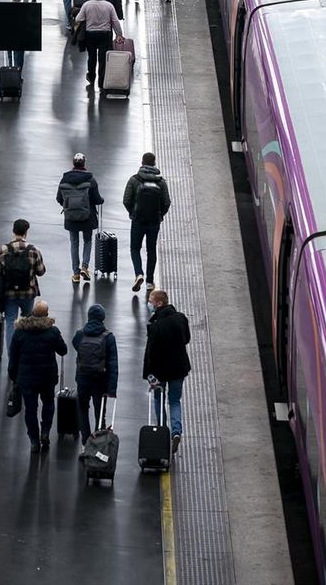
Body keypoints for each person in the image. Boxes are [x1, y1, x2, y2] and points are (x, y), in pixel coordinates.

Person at [8, 299, 68, 451]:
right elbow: (63, 350)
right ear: (46, 315)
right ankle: (45, 431)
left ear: (32, 313)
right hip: (47, 378)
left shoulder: (20, 332)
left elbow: (13, 356)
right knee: (48, 403)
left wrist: (14, 376)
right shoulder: (52, 332)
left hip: (27, 379)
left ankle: (34, 440)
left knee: (30, 409)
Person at [143, 289, 191, 454]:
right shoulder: (181, 318)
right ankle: (176, 432)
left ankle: (163, 430)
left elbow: (149, 353)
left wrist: (149, 375)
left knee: (158, 399)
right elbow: (187, 339)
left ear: (159, 304)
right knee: (175, 401)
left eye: (151, 301)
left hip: (160, 371)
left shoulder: (155, 326)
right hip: (179, 368)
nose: (149, 304)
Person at [123, 153, 171, 292]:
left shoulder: (134, 180)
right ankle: (150, 281)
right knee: (151, 250)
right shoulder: (160, 182)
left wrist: (133, 212)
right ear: (154, 163)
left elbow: (126, 200)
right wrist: (159, 215)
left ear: (142, 162)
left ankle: (139, 273)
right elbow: (166, 202)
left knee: (134, 248)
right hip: (154, 222)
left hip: (138, 220)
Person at [71, 303, 119, 444]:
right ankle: (98, 441)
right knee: (100, 412)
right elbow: (113, 364)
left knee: (83, 408)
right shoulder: (108, 337)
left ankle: (85, 440)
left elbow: (75, 345)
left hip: (83, 378)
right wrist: (112, 389)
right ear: (102, 318)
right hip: (100, 380)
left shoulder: (80, 334)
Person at [56, 153, 104, 283]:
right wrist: (101, 200)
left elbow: (59, 198)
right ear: (84, 164)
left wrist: (68, 206)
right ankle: (85, 267)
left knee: (74, 243)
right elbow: (97, 199)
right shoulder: (91, 180)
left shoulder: (65, 179)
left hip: (71, 217)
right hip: (87, 217)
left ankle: (76, 274)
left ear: (73, 163)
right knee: (87, 241)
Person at [0, 218, 46, 329]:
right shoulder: (34, 250)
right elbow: (41, 271)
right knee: (27, 321)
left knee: (11, 323)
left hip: (9, 292)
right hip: (28, 292)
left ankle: (12, 346)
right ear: (26, 232)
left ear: (13, 231)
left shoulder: (3, 249)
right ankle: (24, 344)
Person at [74, 0, 123, 90]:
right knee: (103, 58)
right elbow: (115, 21)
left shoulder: (87, 5)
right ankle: (101, 82)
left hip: (90, 34)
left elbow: (78, 19)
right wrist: (119, 34)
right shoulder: (109, 6)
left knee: (91, 56)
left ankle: (91, 77)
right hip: (105, 34)